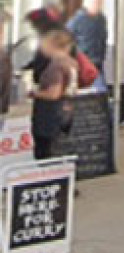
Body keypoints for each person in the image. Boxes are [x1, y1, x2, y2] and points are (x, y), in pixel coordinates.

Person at [30, 30, 78, 160]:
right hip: (66, 110)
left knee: (45, 151)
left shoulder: (56, 65)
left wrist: (34, 93)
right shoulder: (71, 63)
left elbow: (53, 94)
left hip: (50, 115)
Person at [67, 0, 108, 81]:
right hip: (83, 63)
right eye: (96, 2)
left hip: (98, 63)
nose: (98, 5)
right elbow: (66, 38)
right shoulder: (77, 19)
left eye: (100, 2)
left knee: (100, 89)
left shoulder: (102, 19)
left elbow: (103, 39)